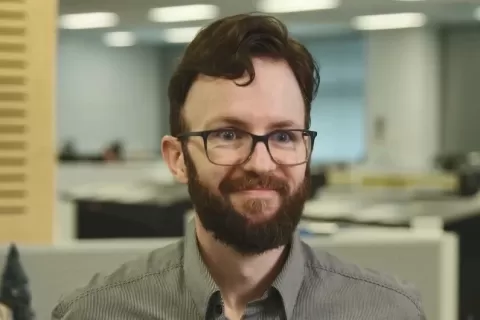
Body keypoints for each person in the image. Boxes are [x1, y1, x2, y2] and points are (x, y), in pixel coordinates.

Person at [51, 13, 426, 320]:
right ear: (178, 158)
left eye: (283, 136)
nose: (261, 163)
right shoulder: (94, 313)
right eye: (229, 134)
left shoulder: (388, 311)